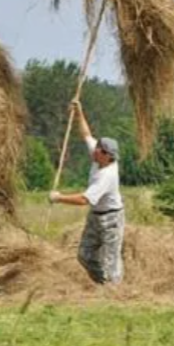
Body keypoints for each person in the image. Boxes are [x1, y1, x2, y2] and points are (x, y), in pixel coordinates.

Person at [49, 100, 125, 285]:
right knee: (84, 255)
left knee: (110, 262)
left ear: (107, 155)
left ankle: (114, 293)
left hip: (111, 219)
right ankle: (103, 285)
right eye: (97, 146)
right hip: (95, 217)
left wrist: (58, 198)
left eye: (99, 149)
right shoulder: (97, 156)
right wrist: (79, 112)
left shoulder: (107, 175)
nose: (95, 149)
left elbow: (84, 200)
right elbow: (86, 134)